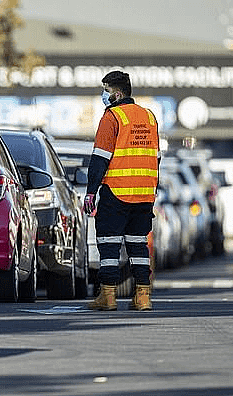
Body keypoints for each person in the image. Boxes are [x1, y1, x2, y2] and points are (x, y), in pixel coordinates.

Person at [83, 70, 160, 311]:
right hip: (144, 194)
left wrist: (91, 192)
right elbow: (156, 158)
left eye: (105, 91)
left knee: (109, 244)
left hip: (116, 192)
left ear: (117, 93)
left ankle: (107, 296)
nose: (103, 96)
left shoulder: (112, 117)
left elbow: (99, 159)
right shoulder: (149, 117)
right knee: (138, 244)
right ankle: (143, 296)